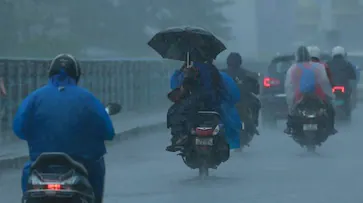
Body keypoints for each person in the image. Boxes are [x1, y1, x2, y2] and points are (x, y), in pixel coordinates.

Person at [13, 54, 115, 203]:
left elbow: (19, 129)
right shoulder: (87, 98)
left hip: (41, 162)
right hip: (82, 163)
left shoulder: (35, 98)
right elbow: (108, 132)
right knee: (97, 165)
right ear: (76, 75)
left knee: (28, 174)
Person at [166, 60, 241, 151]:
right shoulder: (215, 72)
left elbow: (176, 85)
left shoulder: (190, 71)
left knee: (173, 112)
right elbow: (231, 94)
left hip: (197, 104)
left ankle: (179, 136)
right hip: (213, 104)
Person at [284, 46, 336, 135]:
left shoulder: (292, 68)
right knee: (330, 108)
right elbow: (325, 81)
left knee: (291, 112)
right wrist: (330, 95)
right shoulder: (318, 66)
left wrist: (290, 99)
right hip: (317, 96)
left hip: (300, 96)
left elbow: (288, 85)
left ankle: (289, 127)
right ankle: (331, 128)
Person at [222, 52, 260, 135]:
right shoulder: (248, 74)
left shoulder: (220, 74)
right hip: (235, 101)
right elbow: (256, 90)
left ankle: (253, 124)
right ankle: (254, 124)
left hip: (237, 102)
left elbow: (256, 89)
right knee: (256, 103)